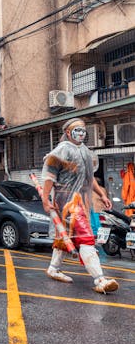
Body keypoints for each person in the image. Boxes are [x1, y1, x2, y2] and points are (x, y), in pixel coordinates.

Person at [41, 118, 118, 294]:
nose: (82, 133)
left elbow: (89, 180)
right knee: (85, 237)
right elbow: (49, 177)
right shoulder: (62, 150)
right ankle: (100, 279)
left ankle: (53, 268)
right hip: (66, 201)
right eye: (77, 130)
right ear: (68, 132)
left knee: (67, 237)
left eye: (83, 130)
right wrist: (45, 199)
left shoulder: (85, 152)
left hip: (79, 201)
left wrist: (102, 194)